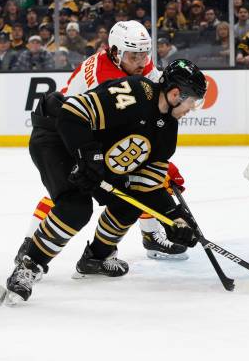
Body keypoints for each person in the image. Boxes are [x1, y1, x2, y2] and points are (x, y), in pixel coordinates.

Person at [4, 59, 207, 304]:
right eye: (192, 101)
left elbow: (146, 187)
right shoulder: (136, 92)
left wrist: (174, 216)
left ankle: (96, 258)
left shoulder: (167, 132)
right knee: (75, 208)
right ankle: (29, 266)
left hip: (94, 154)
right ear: (176, 93)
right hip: (56, 136)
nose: (192, 108)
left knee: (131, 201)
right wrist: (87, 154)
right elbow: (73, 112)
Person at [15, 21, 191, 270]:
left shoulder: (133, 62)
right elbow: (114, 128)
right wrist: (155, 162)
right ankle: (30, 244)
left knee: (137, 184)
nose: (142, 62)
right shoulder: (104, 77)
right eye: (135, 56)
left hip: (85, 125)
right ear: (117, 52)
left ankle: (147, 234)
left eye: (145, 54)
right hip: (67, 128)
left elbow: (157, 98)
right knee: (72, 191)